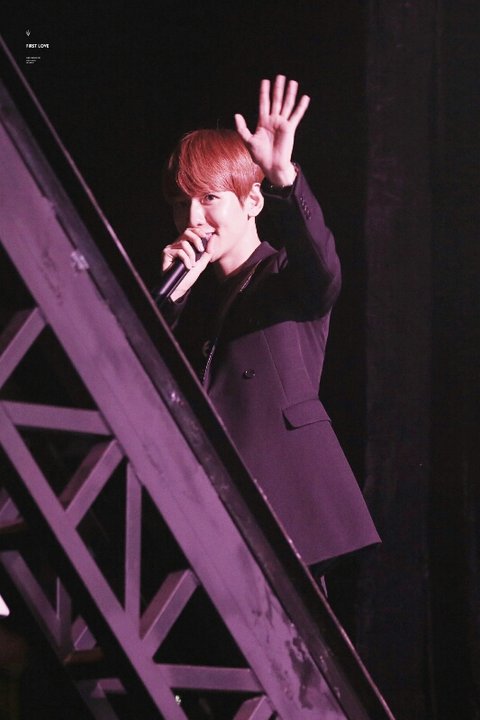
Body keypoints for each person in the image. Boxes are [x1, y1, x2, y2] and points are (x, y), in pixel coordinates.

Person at [160, 75, 380, 579]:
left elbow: (323, 269)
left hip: (286, 516)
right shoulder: (188, 304)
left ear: (252, 203)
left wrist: (284, 176)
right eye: (179, 202)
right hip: (210, 517)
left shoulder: (285, 277)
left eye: (209, 197)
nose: (192, 217)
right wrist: (168, 302)